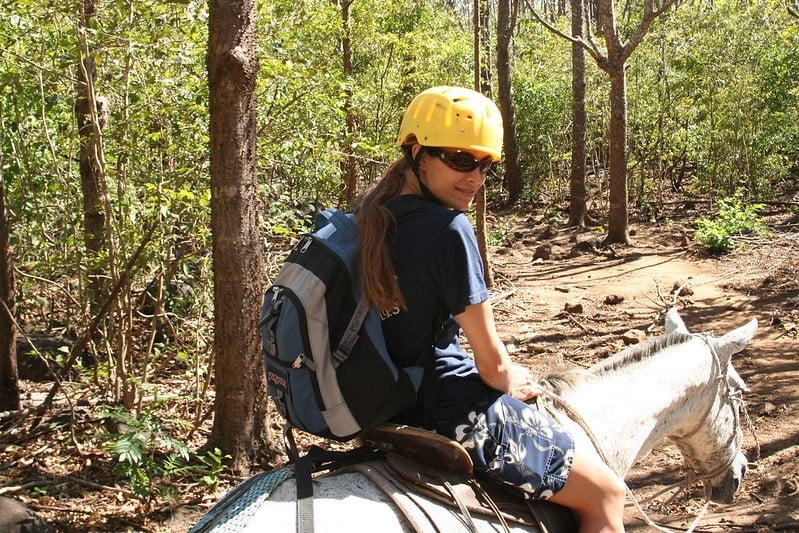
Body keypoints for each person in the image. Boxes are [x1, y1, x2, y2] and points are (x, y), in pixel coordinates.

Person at [356, 86, 626, 532]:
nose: (475, 178)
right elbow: (494, 365)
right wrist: (512, 379)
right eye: (461, 159)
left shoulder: (369, 213)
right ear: (419, 152)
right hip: (444, 407)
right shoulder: (449, 229)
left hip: (383, 401)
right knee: (606, 494)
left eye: (486, 165)